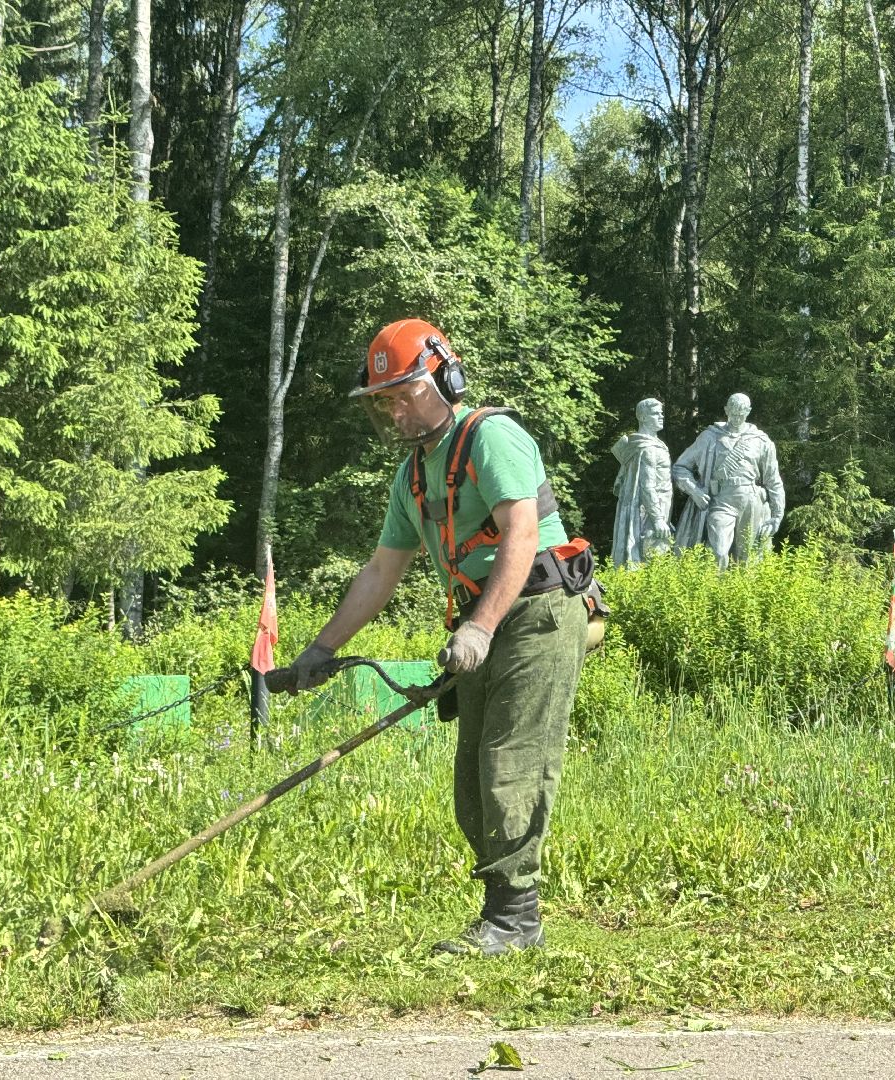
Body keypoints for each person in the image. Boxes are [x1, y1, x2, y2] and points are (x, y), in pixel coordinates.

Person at [264, 318, 592, 957]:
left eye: (405, 393)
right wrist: (320, 650)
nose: (394, 412)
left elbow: (521, 538)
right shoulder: (412, 475)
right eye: (385, 401)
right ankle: (505, 909)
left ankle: (515, 919)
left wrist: (480, 627)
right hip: (484, 622)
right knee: (471, 777)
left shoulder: (492, 438)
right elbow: (382, 571)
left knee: (510, 764)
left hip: (538, 613)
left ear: (447, 377)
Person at [672, 392, 785, 569]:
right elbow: (680, 467)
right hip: (720, 501)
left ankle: (742, 596)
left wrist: (777, 516)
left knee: (748, 558)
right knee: (718, 551)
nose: (737, 417)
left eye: (741, 413)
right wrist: (694, 491)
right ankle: (715, 594)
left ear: (748, 411)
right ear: (726, 410)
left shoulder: (761, 441)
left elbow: (774, 480)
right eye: (733, 413)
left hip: (750, 502)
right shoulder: (710, 437)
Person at [611, 398, 674, 567]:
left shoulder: (649, 445)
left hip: (657, 506)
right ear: (643, 417)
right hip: (650, 510)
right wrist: (658, 519)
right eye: (656, 413)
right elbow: (648, 487)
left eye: (662, 413)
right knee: (652, 558)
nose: (661, 416)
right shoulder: (648, 449)